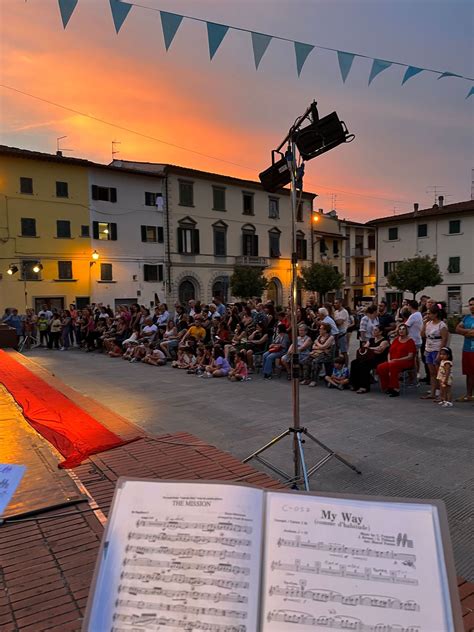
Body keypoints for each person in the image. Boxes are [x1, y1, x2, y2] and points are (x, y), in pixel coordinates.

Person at [376, 323, 416, 397]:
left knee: (393, 366)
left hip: (405, 361)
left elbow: (410, 356)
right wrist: (389, 360)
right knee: (380, 367)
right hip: (393, 361)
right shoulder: (396, 340)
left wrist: (396, 360)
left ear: (406, 330)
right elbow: (389, 353)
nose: (401, 331)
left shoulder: (410, 341)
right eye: (400, 329)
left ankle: (395, 388)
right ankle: (387, 387)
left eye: (403, 329)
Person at [349, 326, 390, 394]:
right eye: (373, 330)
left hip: (380, 360)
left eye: (376, 330)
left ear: (381, 332)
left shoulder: (384, 341)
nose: (373, 331)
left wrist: (370, 349)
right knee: (354, 362)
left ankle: (364, 387)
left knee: (364, 364)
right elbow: (365, 348)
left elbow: (380, 350)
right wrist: (373, 349)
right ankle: (354, 384)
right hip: (370, 358)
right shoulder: (371, 340)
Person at [420, 306, 449, 400]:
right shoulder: (428, 323)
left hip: (437, 349)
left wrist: (440, 353)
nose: (427, 315)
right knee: (432, 372)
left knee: (439, 373)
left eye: (429, 313)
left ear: (435, 314)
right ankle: (432, 392)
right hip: (429, 348)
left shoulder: (442, 325)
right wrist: (424, 324)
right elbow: (422, 335)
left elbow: (444, 339)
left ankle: (442, 394)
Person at [301, 323, 335, 387]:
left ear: (325, 330)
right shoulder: (320, 336)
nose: (319, 330)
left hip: (327, 355)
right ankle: (306, 379)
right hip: (318, 353)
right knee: (306, 361)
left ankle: (314, 380)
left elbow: (323, 346)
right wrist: (321, 347)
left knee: (315, 362)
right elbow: (313, 347)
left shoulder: (331, 337)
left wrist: (317, 343)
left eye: (321, 329)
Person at [455, 297, 474, 402]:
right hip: (467, 349)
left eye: (473, 304)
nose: (472, 306)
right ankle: (469, 394)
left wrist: (465, 332)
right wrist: (469, 332)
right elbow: (457, 329)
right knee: (469, 373)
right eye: (470, 304)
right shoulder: (466, 318)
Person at [334, 299, 350, 365]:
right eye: (334, 303)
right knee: (336, 352)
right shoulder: (336, 312)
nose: (335, 304)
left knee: (344, 352)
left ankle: (346, 366)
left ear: (340, 303)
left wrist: (333, 320)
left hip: (342, 334)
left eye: (336, 303)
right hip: (337, 334)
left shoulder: (344, 312)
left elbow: (339, 322)